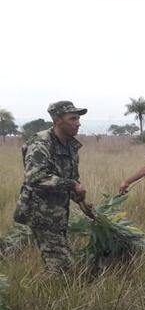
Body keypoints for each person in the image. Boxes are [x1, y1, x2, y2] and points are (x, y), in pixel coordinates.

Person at [13, 101, 94, 273]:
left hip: (58, 214)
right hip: (40, 213)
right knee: (64, 269)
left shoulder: (71, 145)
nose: (78, 122)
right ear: (57, 120)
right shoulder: (41, 143)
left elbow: (71, 178)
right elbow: (35, 178)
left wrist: (81, 202)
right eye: (72, 118)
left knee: (57, 264)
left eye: (78, 118)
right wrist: (72, 184)